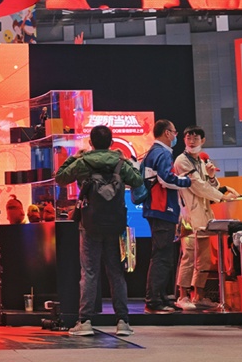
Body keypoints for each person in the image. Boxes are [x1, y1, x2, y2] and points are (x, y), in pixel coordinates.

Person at [56, 125, 145, 337]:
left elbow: (60, 177)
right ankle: (123, 321)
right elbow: (138, 180)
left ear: (91, 142)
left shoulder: (83, 161)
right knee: (116, 273)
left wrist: (73, 157)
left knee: (89, 272)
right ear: (111, 142)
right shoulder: (119, 162)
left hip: (89, 224)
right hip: (116, 224)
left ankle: (85, 321)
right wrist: (125, 160)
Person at [174, 126, 238, 310]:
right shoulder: (182, 161)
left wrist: (211, 176)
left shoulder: (202, 161)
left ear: (203, 140)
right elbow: (198, 187)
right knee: (189, 257)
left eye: (195, 138)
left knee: (204, 258)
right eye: (188, 137)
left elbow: (211, 185)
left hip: (204, 215)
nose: (191, 141)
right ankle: (183, 296)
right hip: (189, 216)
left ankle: (199, 295)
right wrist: (221, 197)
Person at [140, 119, 192, 314]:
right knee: (161, 256)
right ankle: (154, 300)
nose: (175, 135)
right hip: (161, 208)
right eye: (174, 131)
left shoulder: (154, 152)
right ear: (167, 133)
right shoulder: (162, 153)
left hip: (158, 208)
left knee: (163, 255)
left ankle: (159, 296)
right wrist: (187, 181)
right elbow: (166, 179)